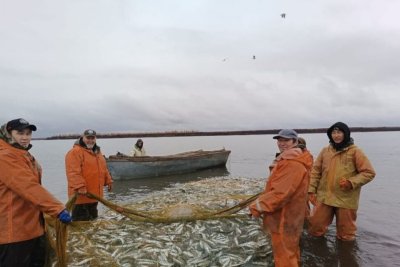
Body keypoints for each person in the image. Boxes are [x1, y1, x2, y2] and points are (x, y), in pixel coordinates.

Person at [0, 118, 71, 267]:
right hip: (14, 235)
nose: (25, 137)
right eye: (20, 133)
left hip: (33, 228)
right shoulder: (5, 156)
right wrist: (57, 209)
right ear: (8, 133)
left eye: (28, 133)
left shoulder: (22, 154)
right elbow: (28, 187)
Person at [249, 129, 313, 267]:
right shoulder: (290, 158)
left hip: (285, 216)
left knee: (284, 254)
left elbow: (281, 194)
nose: (282, 143)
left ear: (295, 142)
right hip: (290, 214)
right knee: (291, 250)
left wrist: (257, 206)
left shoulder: (292, 163)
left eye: (286, 140)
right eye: (280, 140)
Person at [308, 122, 375, 241]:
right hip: (325, 197)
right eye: (333, 132)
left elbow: (369, 173)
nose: (336, 135)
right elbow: (315, 171)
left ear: (346, 134)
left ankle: (346, 257)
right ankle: (318, 255)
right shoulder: (325, 151)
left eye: (339, 132)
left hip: (346, 199)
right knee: (315, 228)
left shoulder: (355, 151)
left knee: (346, 235)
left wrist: (351, 182)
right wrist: (311, 190)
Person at [65, 129, 113, 221]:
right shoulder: (75, 152)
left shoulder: (97, 152)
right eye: (88, 138)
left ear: (95, 139)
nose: (90, 140)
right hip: (80, 199)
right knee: (81, 225)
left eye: (92, 138)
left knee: (93, 222)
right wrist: (80, 186)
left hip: (94, 196)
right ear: (82, 138)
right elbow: (73, 172)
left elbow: (104, 169)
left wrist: (109, 181)